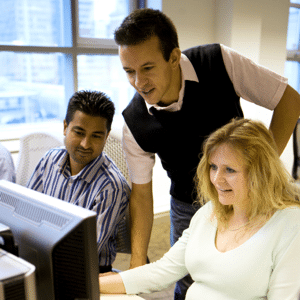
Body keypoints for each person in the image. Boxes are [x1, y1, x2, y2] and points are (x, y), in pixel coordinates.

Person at [114, 8, 300, 299]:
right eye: (129, 71)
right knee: (187, 280)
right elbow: (141, 194)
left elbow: (289, 99)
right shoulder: (133, 122)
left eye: (147, 68)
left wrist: (261, 169)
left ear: (174, 57)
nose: (138, 82)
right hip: (189, 207)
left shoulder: (219, 62)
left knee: (255, 275)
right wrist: (137, 264)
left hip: (251, 196)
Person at [99, 118, 300, 299]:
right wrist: (93, 283)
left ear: (260, 173)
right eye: (213, 167)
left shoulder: (290, 223)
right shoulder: (209, 212)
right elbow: (162, 272)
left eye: (229, 170)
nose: (216, 179)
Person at [27, 90, 130, 273]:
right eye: (79, 132)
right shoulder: (49, 160)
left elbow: (84, 252)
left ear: (106, 137)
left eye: (96, 136)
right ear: (65, 127)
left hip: (85, 271)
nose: (85, 144)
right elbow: (26, 213)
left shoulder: (111, 186)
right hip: (42, 258)